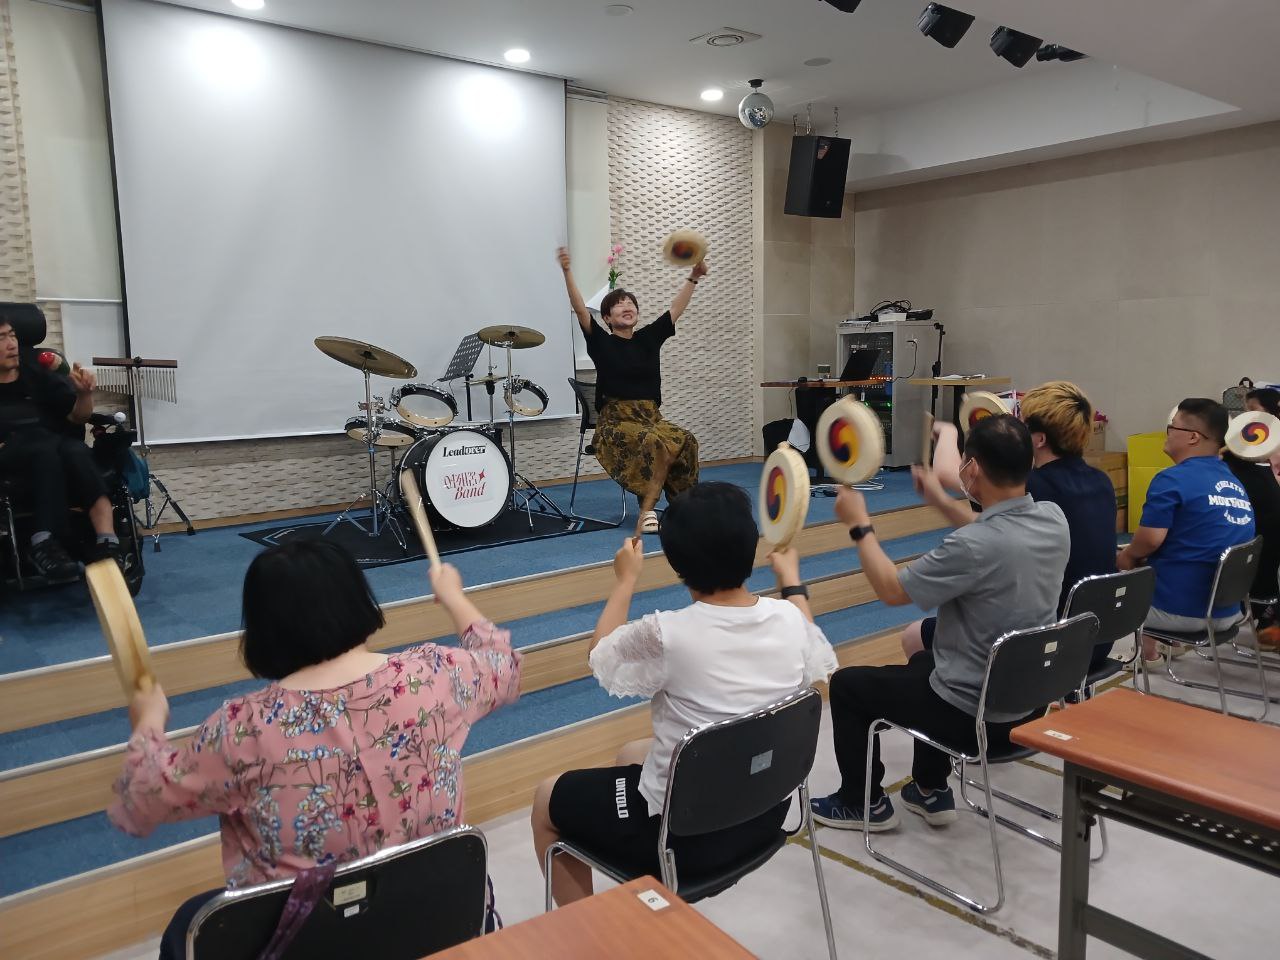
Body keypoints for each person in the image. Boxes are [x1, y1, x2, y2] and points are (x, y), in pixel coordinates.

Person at [108, 540, 521, 958]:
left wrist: (148, 720)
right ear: (357, 598)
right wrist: (453, 597)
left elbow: (142, 798)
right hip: (435, 923)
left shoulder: (243, 729)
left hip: (308, 942)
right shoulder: (434, 676)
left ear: (263, 628)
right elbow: (503, 666)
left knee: (191, 923)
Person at [531, 482, 837, 905]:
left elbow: (600, 657)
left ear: (677, 562)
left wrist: (625, 581)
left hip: (683, 844)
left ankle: (591, 936)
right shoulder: (787, 617)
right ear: (750, 545)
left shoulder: (668, 633)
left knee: (547, 799)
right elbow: (810, 637)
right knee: (630, 754)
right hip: (766, 818)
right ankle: (647, 903)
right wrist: (791, 580)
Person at [811, 415, 1068, 830]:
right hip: (1029, 704)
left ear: (973, 469)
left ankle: (863, 803)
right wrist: (938, 500)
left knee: (847, 686)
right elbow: (994, 535)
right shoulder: (1054, 519)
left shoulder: (972, 546)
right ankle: (929, 788)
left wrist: (859, 526)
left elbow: (893, 591)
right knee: (926, 660)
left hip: (975, 718)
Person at [923, 382, 1116, 670]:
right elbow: (992, 528)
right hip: (1098, 636)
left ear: (1037, 440)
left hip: (1051, 646)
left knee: (919, 633)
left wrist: (949, 432)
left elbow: (948, 473)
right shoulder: (1102, 482)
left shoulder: (1033, 486)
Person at [558, 247, 705, 535]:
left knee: (686, 440)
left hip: (651, 418)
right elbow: (578, 308)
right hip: (615, 423)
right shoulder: (601, 341)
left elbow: (675, 310)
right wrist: (566, 271)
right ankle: (646, 511)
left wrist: (693, 277)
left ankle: (682, 506)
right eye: (618, 304)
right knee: (652, 442)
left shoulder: (648, 338)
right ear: (607, 318)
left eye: (631, 303)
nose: (627, 306)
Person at [1118, 398, 1255, 661]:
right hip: (1227, 611)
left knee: (1108, 576)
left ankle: (1147, 656)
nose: (1167, 433)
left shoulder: (1171, 480)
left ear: (1193, 437)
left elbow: (1148, 540)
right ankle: (1169, 646)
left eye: (1172, 427)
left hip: (1183, 613)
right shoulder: (1232, 481)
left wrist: (1126, 557)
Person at [0, 318, 117, 580]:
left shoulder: (36, 368)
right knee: (45, 448)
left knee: (76, 451)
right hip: (8, 451)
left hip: (49, 445)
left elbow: (78, 418)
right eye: (1, 338)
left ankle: (107, 541)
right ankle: (41, 541)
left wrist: (84, 394)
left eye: (13, 335)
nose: (12, 344)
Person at [1245, 387, 1280, 484]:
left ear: (1271, 409)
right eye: (1247, 410)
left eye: (1252, 409)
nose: (1247, 414)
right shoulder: (1250, 433)